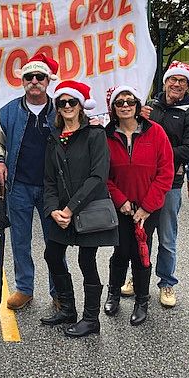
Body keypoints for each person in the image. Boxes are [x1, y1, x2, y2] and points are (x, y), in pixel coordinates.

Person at [40, 80, 114, 337]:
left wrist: (70, 209)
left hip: (86, 210)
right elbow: (48, 180)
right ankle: (68, 309)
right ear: (57, 108)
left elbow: (98, 177)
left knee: (86, 260)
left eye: (72, 102)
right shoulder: (54, 139)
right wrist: (52, 210)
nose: (68, 106)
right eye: (62, 103)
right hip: (60, 213)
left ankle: (91, 319)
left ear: (81, 106)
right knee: (52, 255)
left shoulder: (96, 135)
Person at [0, 53, 59, 310]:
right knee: (20, 240)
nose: (35, 81)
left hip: (52, 188)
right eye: (29, 77)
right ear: (23, 81)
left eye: (40, 77)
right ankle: (24, 288)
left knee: (55, 242)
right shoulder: (6, 112)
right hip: (19, 186)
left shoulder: (62, 109)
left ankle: (58, 290)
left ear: (48, 80)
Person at [102, 86, 174, 326]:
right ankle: (113, 292)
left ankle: (142, 300)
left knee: (140, 253)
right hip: (119, 207)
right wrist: (120, 200)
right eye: (119, 102)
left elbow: (165, 173)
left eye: (129, 101)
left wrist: (146, 207)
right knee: (120, 250)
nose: (125, 105)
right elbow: (102, 175)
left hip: (147, 208)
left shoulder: (157, 133)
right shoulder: (106, 135)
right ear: (113, 108)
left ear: (137, 104)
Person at [135, 61, 189, 308]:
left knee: (167, 237)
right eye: (172, 80)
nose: (176, 84)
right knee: (140, 234)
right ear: (164, 82)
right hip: (142, 183)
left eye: (182, 81)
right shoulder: (149, 106)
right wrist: (136, 117)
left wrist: (156, 153)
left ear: (187, 86)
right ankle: (137, 277)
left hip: (170, 185)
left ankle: (166, 282)